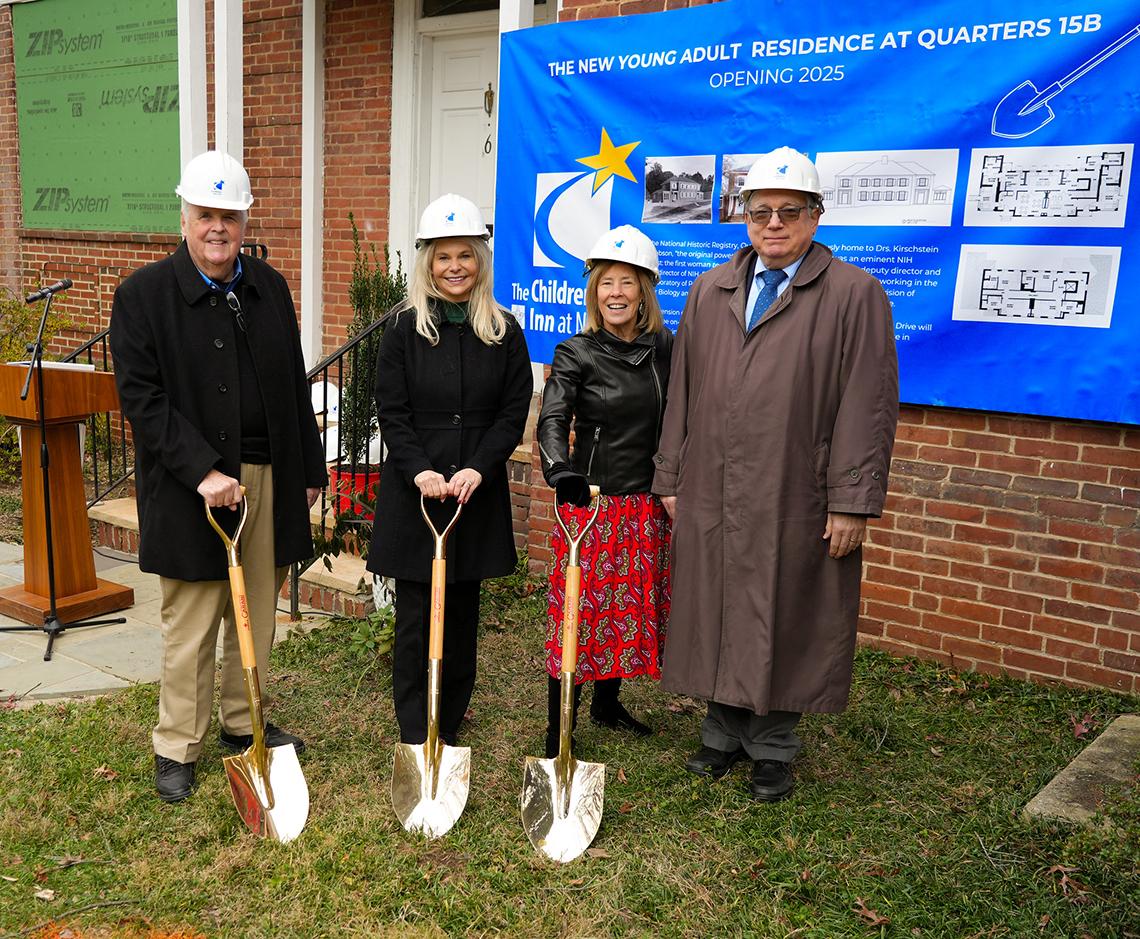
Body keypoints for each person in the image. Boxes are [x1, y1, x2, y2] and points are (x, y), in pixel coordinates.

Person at [651, 147, 899, 802]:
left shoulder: (854, 294)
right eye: (760, 212)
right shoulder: (711, 289)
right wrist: (671, 474)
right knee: (717, 603)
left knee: (785, 609)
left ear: (816, 216)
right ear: (743, 217)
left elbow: (867, 404)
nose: (774, 225)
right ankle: (721, 730)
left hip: (796, 487)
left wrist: (852, 500)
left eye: (790, 212)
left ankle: (772, 747)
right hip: (713, 481)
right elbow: (684, 389)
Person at [111, 150, 326, 803]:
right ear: (184, 217)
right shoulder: (143, 296)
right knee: (194, 619)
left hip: (266, 474)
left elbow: (293, 382)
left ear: (242, 221)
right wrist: (203, 470)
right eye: (205, 214)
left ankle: (243, 721)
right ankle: (176, 743)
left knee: (256, 612)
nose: (217, 228)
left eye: (228, 216)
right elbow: (143, 401)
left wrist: (309, 467)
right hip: (190, 488)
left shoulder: (268, 286)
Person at [366, 193, 532, 748]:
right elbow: (392, 410)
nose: (455, 266)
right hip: (418, 493)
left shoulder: (504, 331)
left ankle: (451, 718)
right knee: (415, 615)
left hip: (472, 495)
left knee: (462, 612)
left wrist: (480, 469)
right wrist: (419, 471)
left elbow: (512, 412)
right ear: (427, 263)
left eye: (465, 255)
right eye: (443, 256)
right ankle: (416, 727)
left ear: (480, 261)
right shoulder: (403, 331)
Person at [537, 225, 673, 758]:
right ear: (593, 292)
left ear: (645, 291)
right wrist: (559, 472)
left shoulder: (665, 347)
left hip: (645, 503)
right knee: (577, 614)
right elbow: (552, 417)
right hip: (590, 503)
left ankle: (607, 703)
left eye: (627, 282)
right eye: (605, 282)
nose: (615, 292)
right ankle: (557, 726)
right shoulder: (576, 352)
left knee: (625, 609)